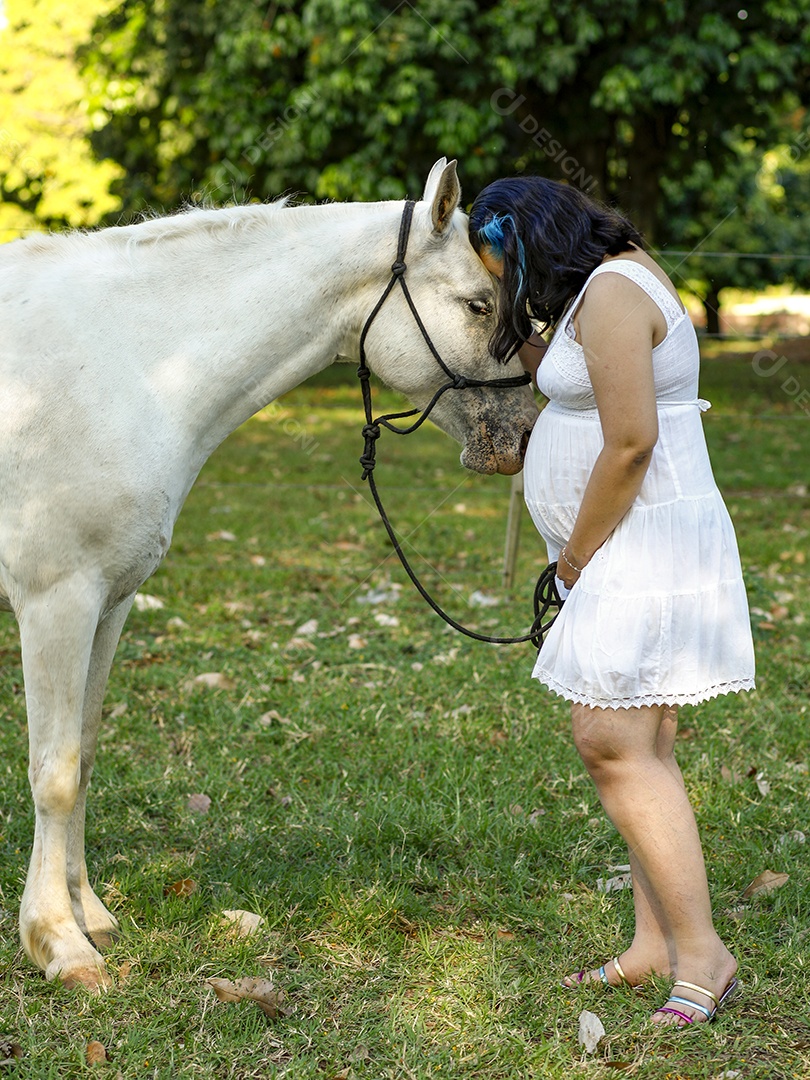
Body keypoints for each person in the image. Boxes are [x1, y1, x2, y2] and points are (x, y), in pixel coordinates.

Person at [469, 177, 755, 1027]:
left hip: (645, 537)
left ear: (531, 249)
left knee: (610, 738)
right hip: (637, 537)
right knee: (645, 742)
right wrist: (515, 332)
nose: (506, 293)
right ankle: (652, 945)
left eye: (504, 274)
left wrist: (573, 560)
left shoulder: (617, 295)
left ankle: (704, 952)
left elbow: (631, 444)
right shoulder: (601, 287)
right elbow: (576, 384)